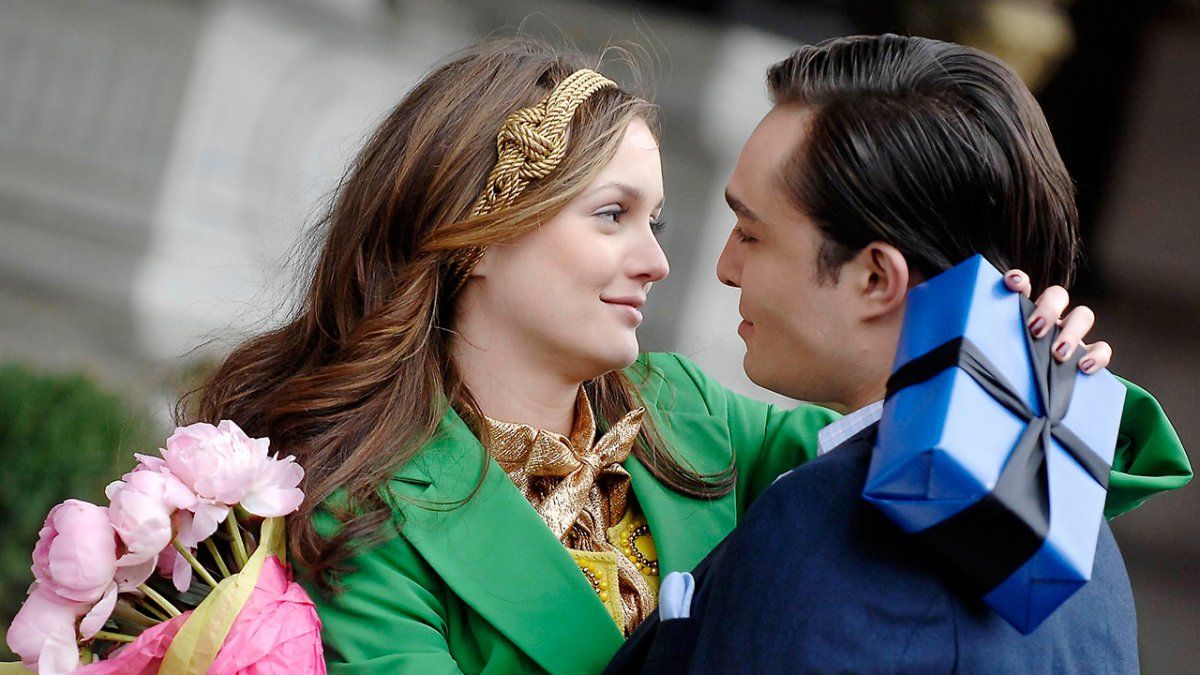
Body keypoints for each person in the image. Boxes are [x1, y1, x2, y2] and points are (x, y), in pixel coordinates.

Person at [178, 38, 1187, 674]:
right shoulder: (361, 505)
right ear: (476, 234)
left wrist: (1032, 363)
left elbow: (918, 456)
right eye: (612, 215)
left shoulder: (685, 411)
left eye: (656, 220)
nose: (663, 261)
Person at [606, 34, 1193, 674]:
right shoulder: (1094, 564)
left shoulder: (827, 521)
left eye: (751, 233)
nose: (726, 267)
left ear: (876, 279)